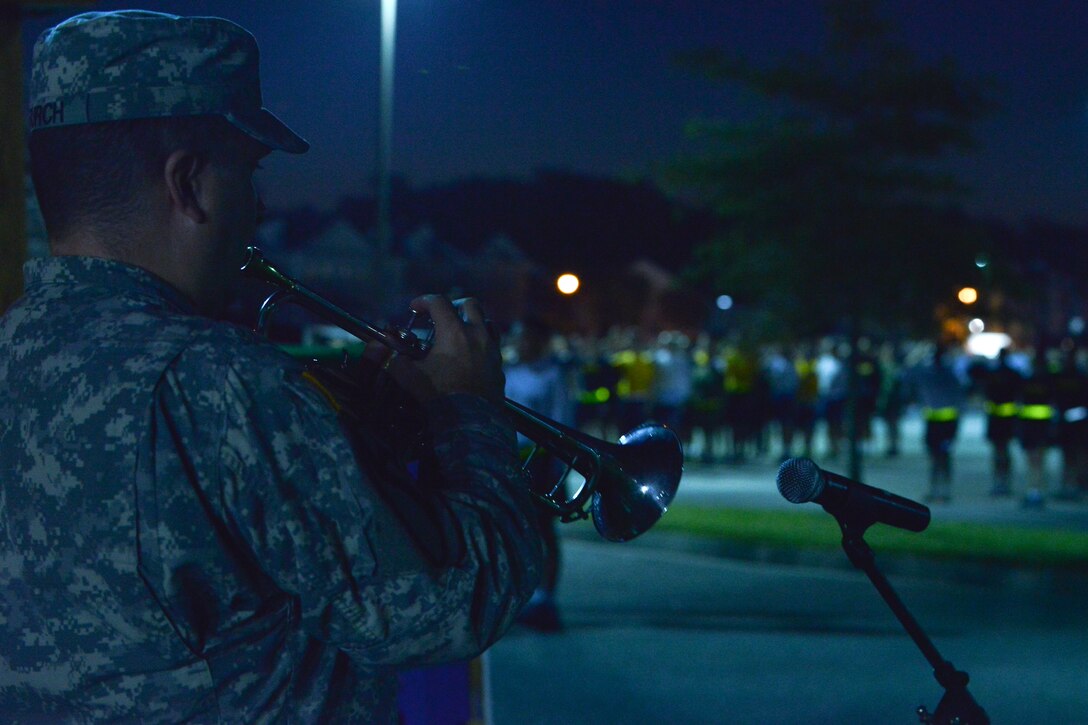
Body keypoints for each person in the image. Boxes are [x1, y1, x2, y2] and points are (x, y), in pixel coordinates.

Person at [0, 10, 542, 721]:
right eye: (248, 172)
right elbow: (457, 602)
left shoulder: (15, 350)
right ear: (189, 184)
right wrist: (466, 412)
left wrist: (366, 434)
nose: (259, 206)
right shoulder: (221, 380)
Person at [504, 317, 574, 632]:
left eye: (528, 339)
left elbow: (561, 420)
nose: (522, 344)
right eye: (519, 338)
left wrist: (560, 464)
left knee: (544, 530)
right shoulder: (506, 371)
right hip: (509, 457)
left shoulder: (552, 375)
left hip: (540, 459)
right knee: (513, 530)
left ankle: (545, 599)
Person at [907, 342, 967, 503]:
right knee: (942, 456)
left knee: (937, 457)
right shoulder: (949, 374)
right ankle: (942, 489)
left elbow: (909, 372)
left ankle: (938, 489)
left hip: (936, 422)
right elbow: (960, 398)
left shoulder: (928, 373)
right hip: (945, 422)